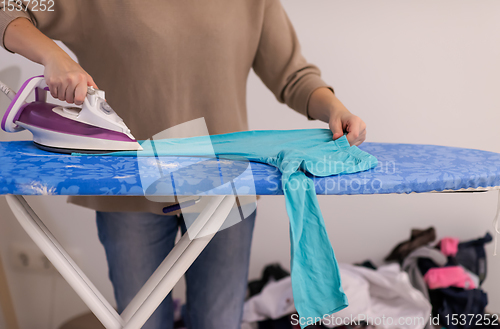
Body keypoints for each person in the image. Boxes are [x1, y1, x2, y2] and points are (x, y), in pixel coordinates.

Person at [1, 1, 367, 328]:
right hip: (129, 190)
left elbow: (293, 76)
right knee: (142, 322)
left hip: (224, 186)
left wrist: (334, 109)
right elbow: (9, 9)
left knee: (219, 321)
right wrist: (53, 55)